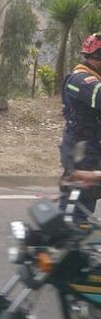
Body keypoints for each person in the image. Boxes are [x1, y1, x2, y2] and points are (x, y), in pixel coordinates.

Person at [60, 33, 101, 221]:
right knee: (77, 209)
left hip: (86, 148)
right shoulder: (83, 81)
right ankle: (64, 244)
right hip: (82, 152)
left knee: (75, 204)